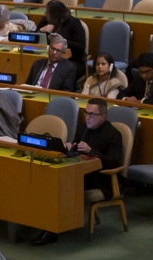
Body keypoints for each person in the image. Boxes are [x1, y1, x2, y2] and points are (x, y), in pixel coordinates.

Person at [31, 99, 123, 245]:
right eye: (86, 113)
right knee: (48, 178)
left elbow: (115, 162)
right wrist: (70, 146)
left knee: (60, 185)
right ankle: (43, 223)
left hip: (100, 179)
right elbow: (76, 149)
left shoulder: (113, 134)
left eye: (92, 115)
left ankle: (51, 231)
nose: (87, 117)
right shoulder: (83, 128)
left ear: (103, 116)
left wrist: (91, 151)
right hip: (80, 172)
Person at [38, 0, 86, 69]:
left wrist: (63, 41)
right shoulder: (45, 21)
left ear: (55, 14)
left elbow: (81, 47)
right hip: (47, 57)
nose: (45, 13)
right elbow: (34, 38)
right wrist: (40, 30)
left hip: (71, 60)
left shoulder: (73, 22)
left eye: (47, 12)